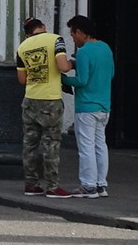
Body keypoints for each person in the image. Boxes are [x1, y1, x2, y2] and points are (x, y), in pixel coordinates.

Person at [17, 16, 74, 198]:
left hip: (30, 100)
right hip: (50, 100)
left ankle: (31, 184)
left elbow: (22, 79)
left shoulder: (22, 47)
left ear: (27, 33)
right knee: (52, 143)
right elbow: (63, 66)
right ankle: (52, 186)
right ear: (43, 26)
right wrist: (73, 63)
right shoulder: (55, 39)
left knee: (30, 144)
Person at [61, 14, 115, 198]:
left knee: (86, 147)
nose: (73, 38)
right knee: (101, 145)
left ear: (81, 32)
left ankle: (88, 185)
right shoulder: (106, 48)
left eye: (73, 34)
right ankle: (101, 184)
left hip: (86, 107)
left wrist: (62, 78)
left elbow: (81, 80)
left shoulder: (83, 52)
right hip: (104, 106)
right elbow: (111, 73)